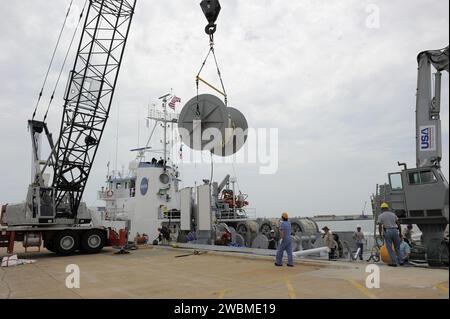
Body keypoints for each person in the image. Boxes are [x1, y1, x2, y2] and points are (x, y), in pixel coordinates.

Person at [377, 202, 403, 267]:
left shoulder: (381, 216)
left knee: (389, 248)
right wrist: (400, 232)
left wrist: (380, 234)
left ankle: (394, 262)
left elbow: (380, 226)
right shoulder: (393, 214)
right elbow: (398, 224)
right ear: (387, 208)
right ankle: (401, 261)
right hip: (395, 230)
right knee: (397, 247)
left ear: (382, 209)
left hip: (388, 231)